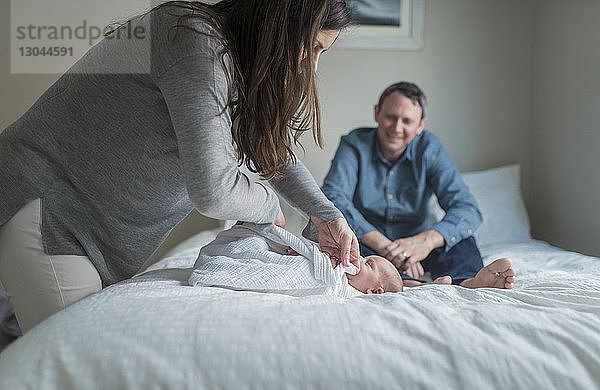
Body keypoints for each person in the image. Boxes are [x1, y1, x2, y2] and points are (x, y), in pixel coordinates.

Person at [0, 0, 360, 334]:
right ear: (281, 22)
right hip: (51, 212)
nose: (312, 66)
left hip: (98, 238)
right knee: (75, 369)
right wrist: (268, 206)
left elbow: (273, 151)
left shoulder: (234, 65)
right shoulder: (193, 38)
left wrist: (326, 215)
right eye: (312, 47)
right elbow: (213, 189)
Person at [322, 81, 516, 288]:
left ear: (420, 125)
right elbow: (333, 198)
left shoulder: (429, 148)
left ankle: (467, 281)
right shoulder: (354, 144)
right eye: (390, 117)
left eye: (407, 121)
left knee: (459, 237)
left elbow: (467, 209)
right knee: (343, 243)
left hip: (420, 245)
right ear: (377, 113)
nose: (397, 128)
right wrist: (386, 246)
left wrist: (425, 242)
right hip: (371, 245)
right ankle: (409, 283)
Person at [189, 222, 404, 297]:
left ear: (374, 292)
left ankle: (220, 265)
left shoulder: (347, 291)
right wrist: (307, 253)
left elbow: (325, 285)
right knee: (257, 246)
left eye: (368, 264)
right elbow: (308, 251)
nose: (360, 260)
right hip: (298, 261)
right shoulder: (339, 268)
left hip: (308, 276)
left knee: (260, 269)